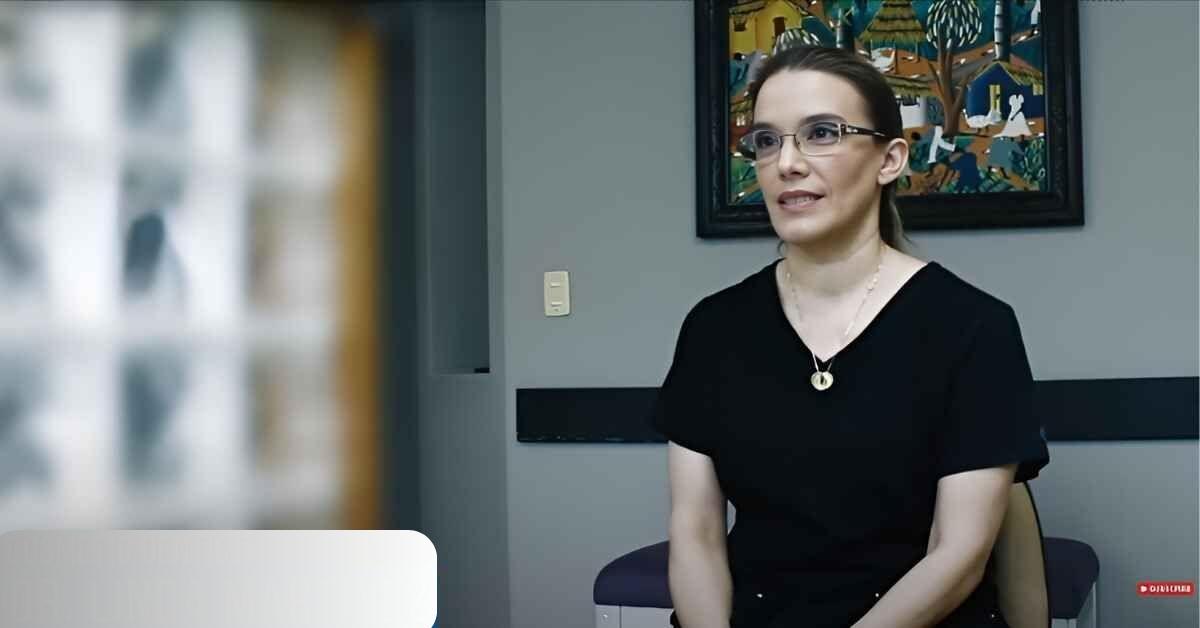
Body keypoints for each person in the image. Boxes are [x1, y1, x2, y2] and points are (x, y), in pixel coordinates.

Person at [651, 45, 1049, 628]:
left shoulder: (971, 326)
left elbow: (958, 555)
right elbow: (696, 532)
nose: (786, 162)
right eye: (766, 140)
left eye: (821, 133)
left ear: (890, 159)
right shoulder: (713, 328)